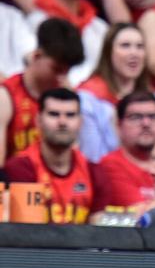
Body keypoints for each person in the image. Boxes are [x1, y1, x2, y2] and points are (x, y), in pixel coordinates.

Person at [2, 88, 109, 224]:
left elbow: (98, 234)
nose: (62, 122)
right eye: (54, 114)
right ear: (38, 120)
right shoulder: (20, 169)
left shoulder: (95, 173)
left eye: (70, 115)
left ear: (80, 122)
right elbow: (28, 234)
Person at [0, 17, 84, 163]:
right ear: (37, 56)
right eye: (57, 69)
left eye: (67, 71)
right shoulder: (6, 97)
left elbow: (73, 156)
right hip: (16, 181)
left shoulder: (66, 95)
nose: (62, 78)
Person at [77, 22, 153, 161]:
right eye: (125, 45)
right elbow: (93, 158)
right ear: (108, 52)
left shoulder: (154, 98)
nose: (134, 53)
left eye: (139, 46)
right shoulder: (88, 99)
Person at [97, 90, 155, 212]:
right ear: (119, 125)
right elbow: (141, 215)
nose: (146, 123)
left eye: (153, 117)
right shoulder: (108, 165)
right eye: (136, 117)